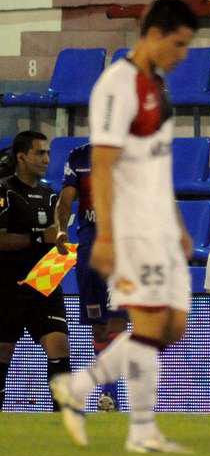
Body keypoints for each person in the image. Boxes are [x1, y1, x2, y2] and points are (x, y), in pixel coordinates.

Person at [50, 0, 198, 453]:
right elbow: (105, 161)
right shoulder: (118, 85)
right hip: (132, 225)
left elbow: (155, 164)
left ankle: (79, 387)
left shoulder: (156, 86)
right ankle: (141, 430)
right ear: (154, 35)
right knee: (151, 324)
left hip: (156, 220)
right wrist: (109, 236)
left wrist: (175, 222)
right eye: (178, 44)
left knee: (172, 326)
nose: (182, 55)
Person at [0, 131, 70, 411]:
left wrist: (62, 247)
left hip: (44, 281)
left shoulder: (49, 194)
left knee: (59, 345)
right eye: (40, 153)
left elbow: (55, 237)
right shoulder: (4, 191)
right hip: (7, 284)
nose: (46, 159)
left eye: (48, 153)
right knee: (3, 352)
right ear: (21, 157)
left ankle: (63, 420)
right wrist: (40, 238)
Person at [54, 143, 127, 411]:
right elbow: (65, 200)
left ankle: (110, 395)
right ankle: (109, 392)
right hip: (89, 248)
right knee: (98, 325)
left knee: (118, 320)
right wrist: (62, 230)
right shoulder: (78, 156)